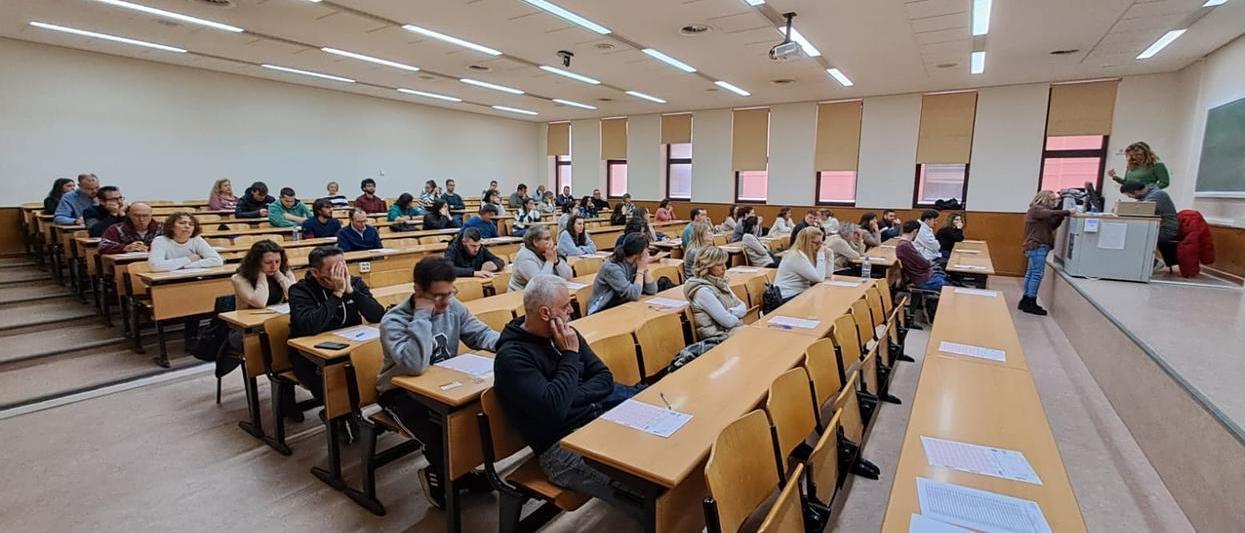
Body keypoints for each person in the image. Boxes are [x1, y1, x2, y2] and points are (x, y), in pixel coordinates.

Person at [493, 275, 640, 517]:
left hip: (597, 420)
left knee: (658, 455)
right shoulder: (513, 357)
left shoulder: (565, 332)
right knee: (645, 488)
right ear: (545, 313)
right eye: (565, 306)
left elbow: (604, 377)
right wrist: (570, 355)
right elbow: (554, 408)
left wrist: (569, 396)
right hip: (560, 450)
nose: (571, 310)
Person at [377, 256, 500, 508]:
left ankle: (462, 471)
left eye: (449, 293)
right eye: (437, 296)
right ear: (418, 291)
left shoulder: (453, 306)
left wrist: (511, 345)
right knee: (440, 436)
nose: (445, 302)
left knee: (475, 420)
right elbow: (414, 365)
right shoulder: (394, 321)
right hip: (399, 394)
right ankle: (442, 475)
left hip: (443, 387)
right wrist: (422, 316)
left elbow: (481, 333)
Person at [288, 245, 386, 401]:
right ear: (315, 272)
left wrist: (352, 292)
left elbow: (378, 316)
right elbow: (311, 326)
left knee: (382, 369)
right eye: (334, 269)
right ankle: (337, 419)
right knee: (335, 386)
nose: (341, 274)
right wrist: (337, 294)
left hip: (350, 349)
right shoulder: (300, 290)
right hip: (310, 358)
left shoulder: (354, 283)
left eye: (343, 266)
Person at [1021, 191, 1072, 315]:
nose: (1055, 202)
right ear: (1046, 199)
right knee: (1036, 274)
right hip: (1037, 246)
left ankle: (1025, 300)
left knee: (1031, 273)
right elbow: (1049, 214)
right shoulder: (1036, 210)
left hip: (1036, 246)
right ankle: (1030, 302)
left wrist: (1061, 217)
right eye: (1053, 200)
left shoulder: (1039, 213)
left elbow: (1051, 226)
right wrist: (1067, 211)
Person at [684, 246, 747, 340]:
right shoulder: (702, 291)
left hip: (730, 331)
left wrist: (730, 312)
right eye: (719, 265)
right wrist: (737, 316)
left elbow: (743, 306)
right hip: (717, 338)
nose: (725, 268)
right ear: (706, 267)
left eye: (724, 263)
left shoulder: (719, 282)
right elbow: (727, 322)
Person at [586, 233, 656, 315]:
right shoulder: (612, 267)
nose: (648, 253)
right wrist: (640, 270)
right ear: (639, 253)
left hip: (621, 304)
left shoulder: (636, 263)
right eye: (646, 250)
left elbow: (652, 290)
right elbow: (634, 295)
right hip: (601, 309)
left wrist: (644, 267)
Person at [1120, 180, 1179, 270]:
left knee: (1133, 237)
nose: (1130, 197)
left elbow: (1141, 210)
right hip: (1157, 227)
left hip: (1166, 230)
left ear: (1135, 191)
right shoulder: (1149, 194)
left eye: (1129, 195)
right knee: (1132, 233)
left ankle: (1154, 264)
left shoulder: (1157, 195)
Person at [148, 212, 224, 272]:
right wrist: (189, 259)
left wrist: (186, 265)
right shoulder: (160, 241)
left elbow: (217, 260)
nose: (187, 226)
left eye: (191, 224)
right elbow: (155, 266)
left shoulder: (196, 239)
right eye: (182, 223)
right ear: (171, 227)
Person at [232, 239, 295, 310]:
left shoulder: (285, 272)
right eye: (268, 262)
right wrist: (261, 275)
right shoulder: (239, 278)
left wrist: (279, 276)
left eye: (277, 261)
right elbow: (259, 303)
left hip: (274, 315)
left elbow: (296, 296)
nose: (274, 266)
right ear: (256, 262)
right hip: (248, 318)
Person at [509, 225, 573, 291]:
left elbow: (568, 277)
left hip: (545, 292)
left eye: (551, 238)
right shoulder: (524, 257)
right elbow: (541, 284)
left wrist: (556, 261)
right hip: (520, 295)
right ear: (535, 242)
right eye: (547, 239)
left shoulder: (548, 252)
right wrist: (550, 261)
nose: (551, 242)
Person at [776, 226, 832, 301]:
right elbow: (819, 278)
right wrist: (821, 254)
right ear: (807, 242)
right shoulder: (796, 256)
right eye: (817, 243)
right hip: (787, 297)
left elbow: (827, 276)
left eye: (821, 243)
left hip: (799, 294)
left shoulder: (806, 254)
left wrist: (829, 257)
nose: (820, 246)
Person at [896, 220, 947, 291]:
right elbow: (925, 264)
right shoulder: (905, 246)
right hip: (923, 280)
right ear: (915, 231)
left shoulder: (904, 244)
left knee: (946, 278)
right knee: (950, 287)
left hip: (923, 276)